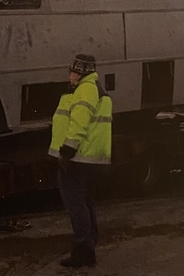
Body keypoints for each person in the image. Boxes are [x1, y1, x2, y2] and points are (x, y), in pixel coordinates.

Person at [48, 54, 113, 268]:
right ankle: (88, 247)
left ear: (82, 71)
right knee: (84, 202)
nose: (70, 74)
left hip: (77, 157)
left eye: (73, 71)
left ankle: (83, 250)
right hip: (85, 157)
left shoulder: (85, 89)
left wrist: (67, 151)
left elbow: (79, 122)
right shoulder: (87, 87)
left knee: (75, 203)